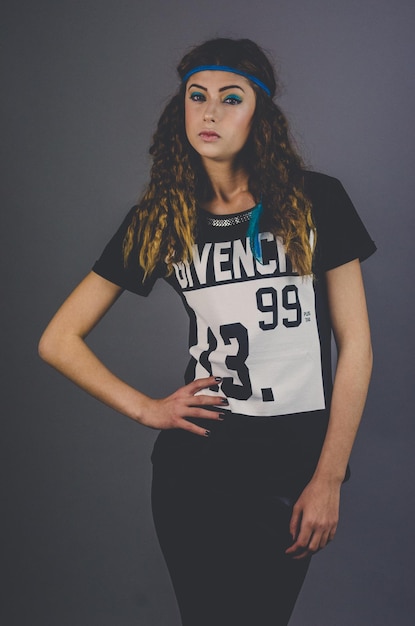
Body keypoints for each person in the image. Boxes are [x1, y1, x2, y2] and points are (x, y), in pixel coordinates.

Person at [39, 38, 376, 626]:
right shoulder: (162, 216)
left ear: (260, 115)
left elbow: (356, 346)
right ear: (182, 110)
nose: (211, 112)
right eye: (198, 97)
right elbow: (59, 339)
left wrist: (329, 476)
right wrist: (146, 409)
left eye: (231, 98)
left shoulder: (315, 200)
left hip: (293, 465)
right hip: (198, 468)